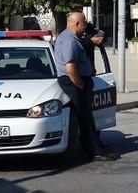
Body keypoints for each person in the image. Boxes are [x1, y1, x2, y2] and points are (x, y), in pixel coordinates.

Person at [54, 11, 119, 162]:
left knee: (86, 119)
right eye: (83, 23)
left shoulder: (68, 37)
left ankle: (91, 149)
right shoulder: (70, 41)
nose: (85, 27)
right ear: (76, 24)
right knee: (86, 119)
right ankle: (96, 151)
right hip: (74, 83)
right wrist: (81, 84)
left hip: (75, 81)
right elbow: (71, 67)